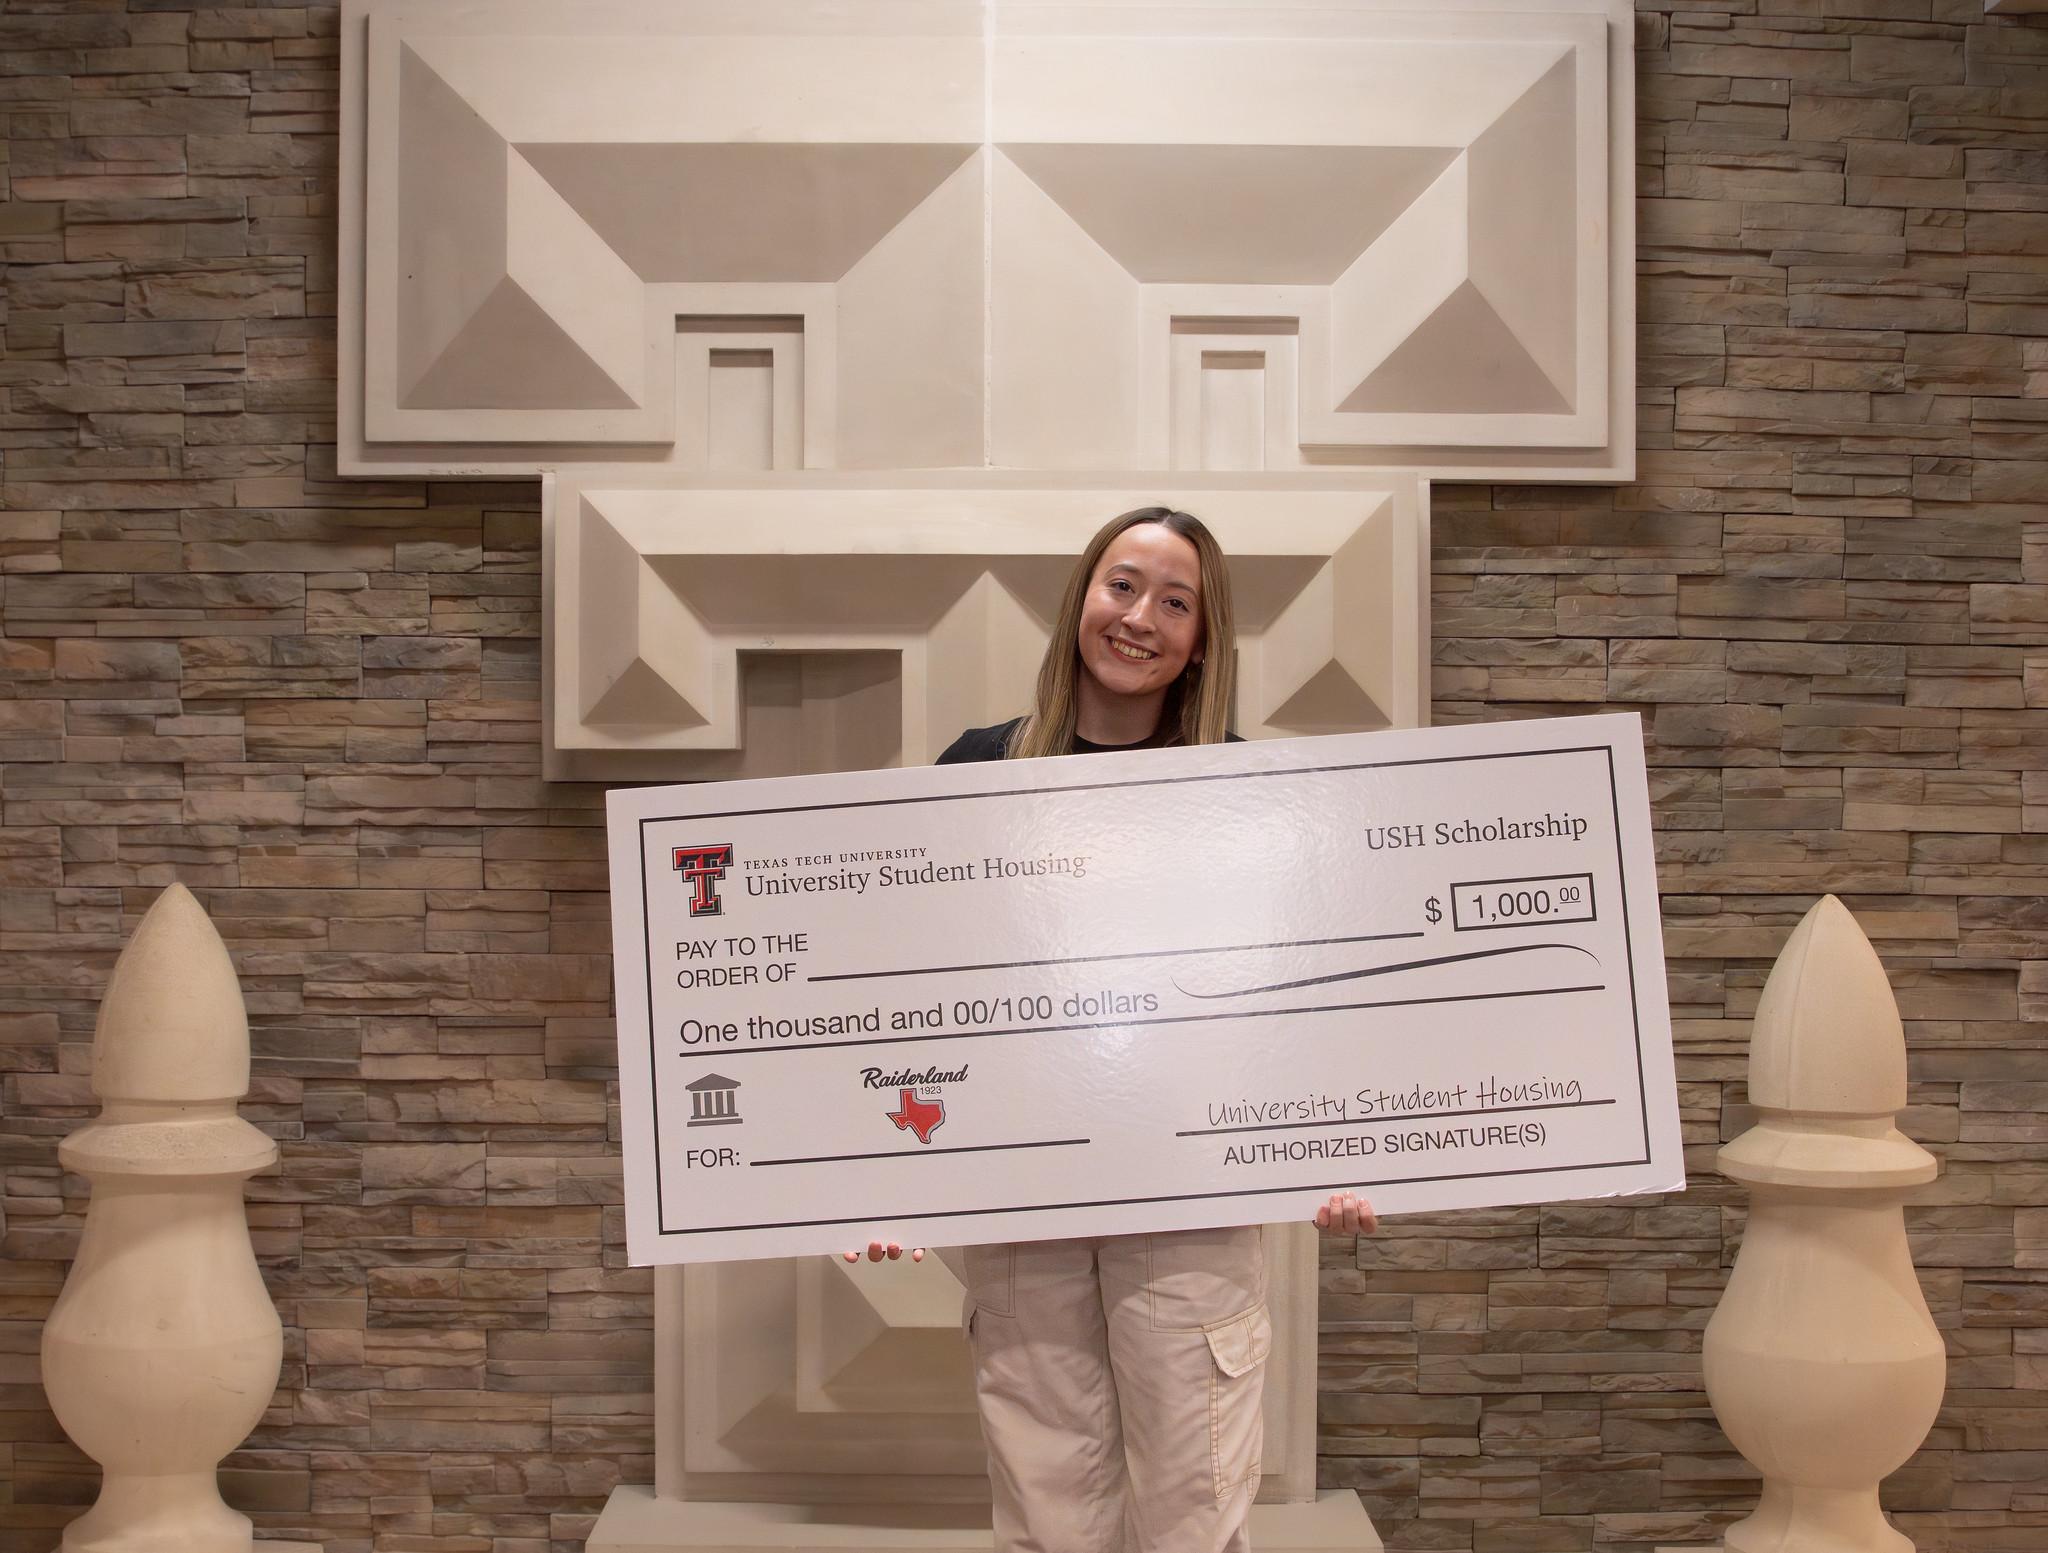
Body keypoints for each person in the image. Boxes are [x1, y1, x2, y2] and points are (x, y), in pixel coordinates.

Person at [850, 506, 1378, 1553]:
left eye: (1175, 602)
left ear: (1202, 640)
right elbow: (909, 988)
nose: (1139, 617)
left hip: (1189, 1204)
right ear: (1081, 598)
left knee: (1192, 1513)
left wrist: (1337, 1149)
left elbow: (1297, 1008)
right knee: (1046, 1512)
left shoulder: (1247, 797)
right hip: (1024, 1201)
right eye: (1122, 585)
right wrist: (886, 1170)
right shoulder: (977, 770)